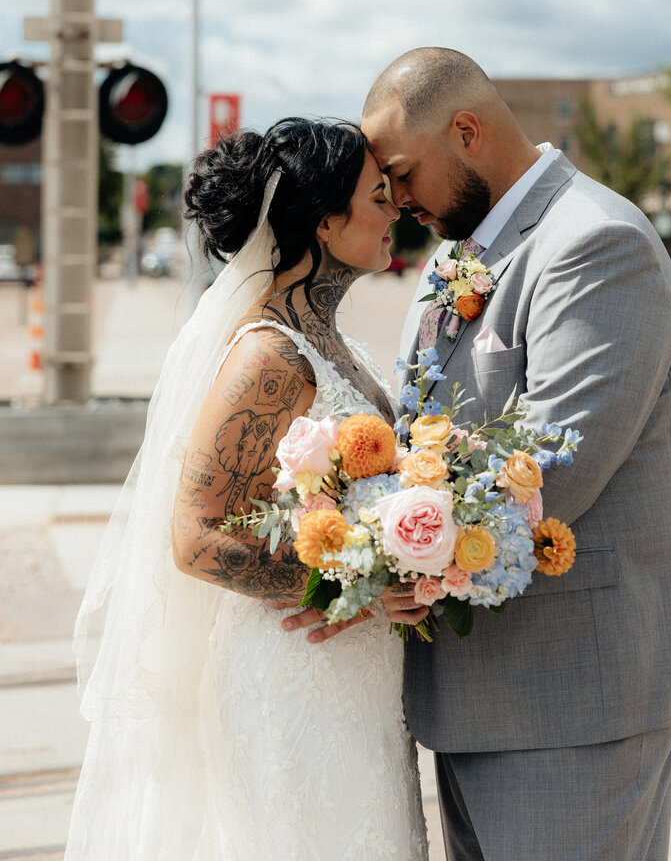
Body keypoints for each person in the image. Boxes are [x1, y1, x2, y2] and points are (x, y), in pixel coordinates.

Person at [286, 48, 671, 861]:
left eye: (403, 172)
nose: (394, 197)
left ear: (467, 132)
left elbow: (554, 469)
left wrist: (374, 560)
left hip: (574, 694)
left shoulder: (595, 244)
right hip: (473, 687)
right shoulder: (455, 255)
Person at [65, 118, 429, 861]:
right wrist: (350, 586)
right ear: (326, 222)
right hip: (294, 676)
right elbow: (194, 538)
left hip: (358, 677)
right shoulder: (268, 356)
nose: (396, 208)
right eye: (378, 195)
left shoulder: (340, 347)